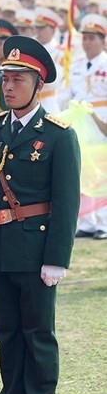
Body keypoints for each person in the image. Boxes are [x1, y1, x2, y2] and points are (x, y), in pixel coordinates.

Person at [0, 36, 80, 394]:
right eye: (6, 79)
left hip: (36, 250)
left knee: (38, 333)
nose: (10, 86)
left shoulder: (57, 134)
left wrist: (57, 259)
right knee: (7, 333)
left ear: (39, 84)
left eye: (18, 79)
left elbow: (66, 202)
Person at [70, 14, 107, 240]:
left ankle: (103, 221)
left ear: (103, 41)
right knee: (84, 172)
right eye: (84, 38)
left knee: (103, 174)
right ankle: (87, 221)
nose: (87, 43)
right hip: (82, 125)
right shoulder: (76, 66)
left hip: (101, 121)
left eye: (92, 38)